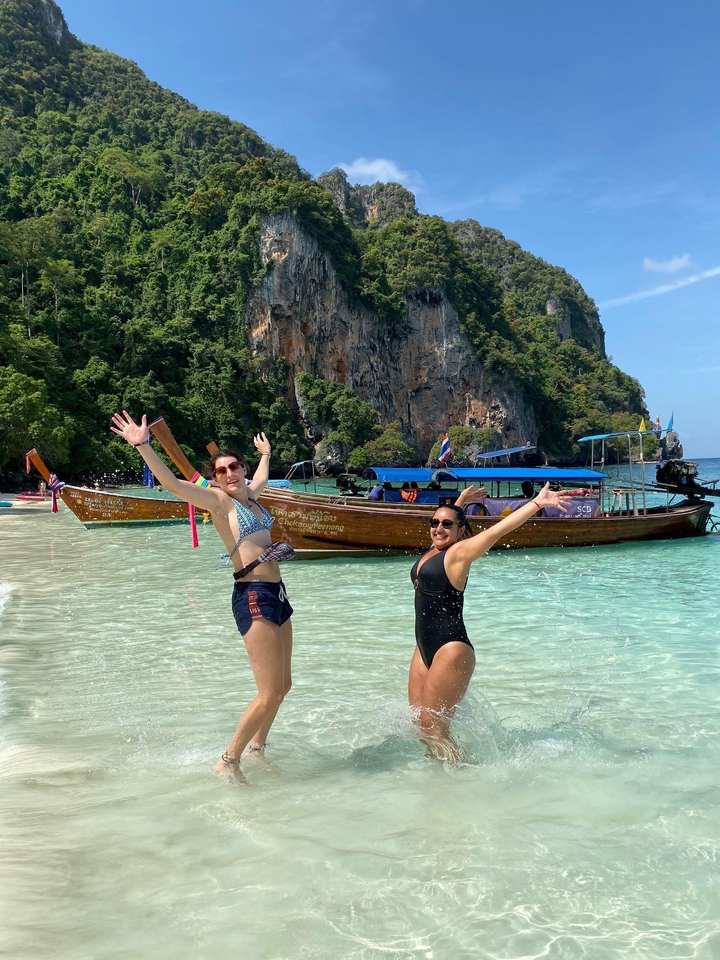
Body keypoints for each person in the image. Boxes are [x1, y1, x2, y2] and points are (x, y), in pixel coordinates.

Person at [110, 411, 293, 778]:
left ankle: (258, 748)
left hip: (277, 593)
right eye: (221, 470)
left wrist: (266, 455)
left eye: (234, 467)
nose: (230, 474)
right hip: (253, 593)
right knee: (269, 691)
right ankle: (228, 761)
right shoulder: (220, 503)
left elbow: (260, 478)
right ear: (214, 479)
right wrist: (144, 446)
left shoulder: (252, 496)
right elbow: (173, 485)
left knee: (283, 686)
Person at [409, 481, 573, 763]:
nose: (438, 528)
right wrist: (459, 502)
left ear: (460, 531)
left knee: (435, 728)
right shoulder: (434, 551)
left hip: (450, 648)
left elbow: (500, 530)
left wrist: (537, 503)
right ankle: (433, 784)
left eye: (447, 525)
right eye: (434, 522)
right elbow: (447, 525)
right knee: (419, 725)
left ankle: (459, 783)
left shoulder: (459, 555)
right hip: (424, 649)